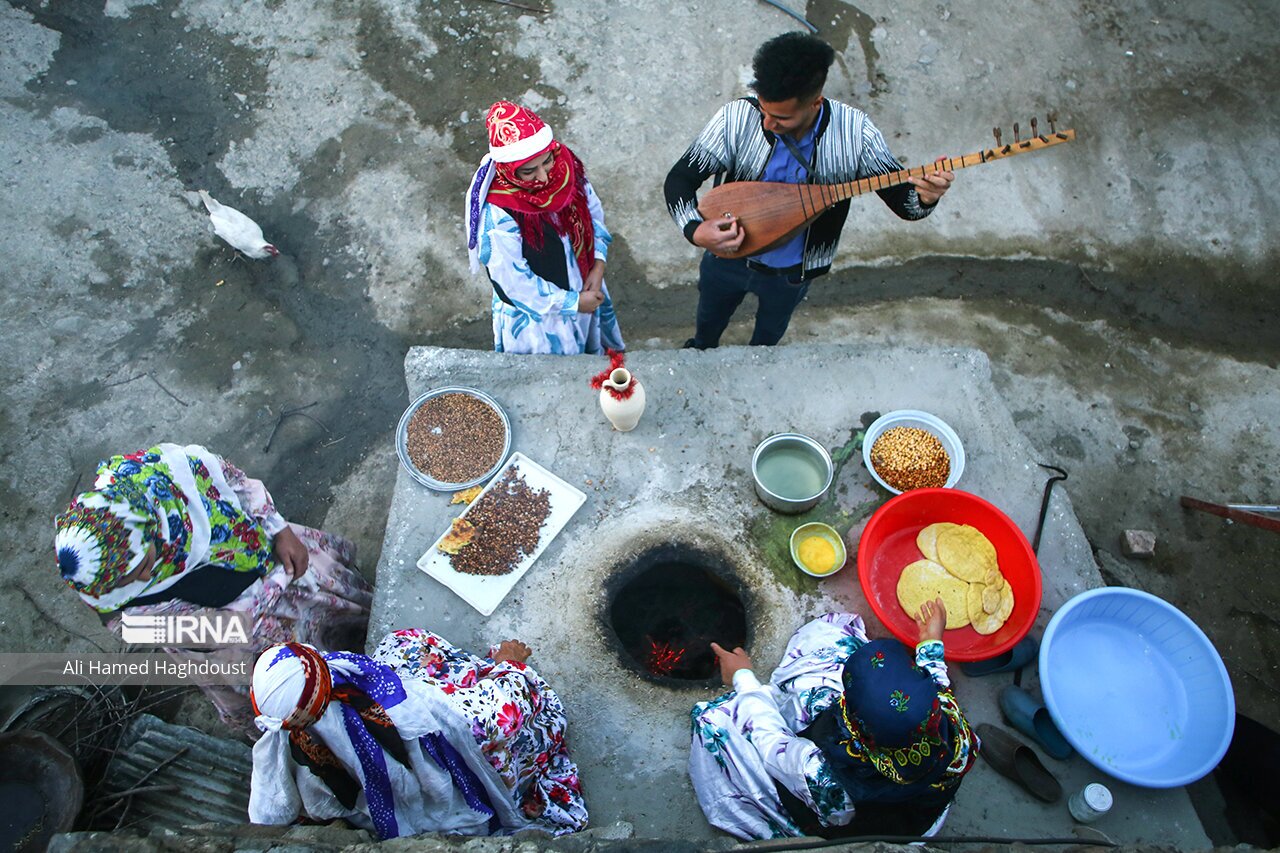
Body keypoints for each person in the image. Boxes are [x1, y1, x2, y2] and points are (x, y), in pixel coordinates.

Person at [664, 32, 955, 349]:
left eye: (781, 117)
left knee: (768, 336)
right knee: (708, 322)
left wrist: (926, 196)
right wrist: (695, 230)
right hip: (727, 261)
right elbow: (679, 179)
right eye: (763, 110)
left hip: (792, 273)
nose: (767, 124)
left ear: (815, 103)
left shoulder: (856, 133)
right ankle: (702, 348)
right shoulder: (737, 117)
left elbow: (905, 205)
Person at [54, 443, 371, 733]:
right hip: (245, 633)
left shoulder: (159, 479)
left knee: (343, 622)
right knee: (298, 687)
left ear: (150, 525)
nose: (143, 579)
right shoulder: (114, 597)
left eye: (141, 565)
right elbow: (225, 629)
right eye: (127, 581)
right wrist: (278, 580)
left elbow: (235, 483)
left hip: (265, 560)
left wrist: (279, 529)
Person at [249, 633, 587, 839]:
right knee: (529, 723)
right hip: (451, 783)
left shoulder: (293, 748)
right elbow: (495, 716)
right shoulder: (415, 715)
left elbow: (273, 811)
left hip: (396, 801)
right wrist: (510, 664)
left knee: (402, 645)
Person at [689, 600, 978, 840]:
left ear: (857, 726)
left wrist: (742, 677)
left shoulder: (822, 775)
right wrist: (931, 643)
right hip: (914, 809)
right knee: (833, 635)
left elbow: (770, 740)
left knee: (715, 722)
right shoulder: (954, 731)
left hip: (840, 814)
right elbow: (937, 687)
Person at [466, 100, 624, 355]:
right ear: (508, 169)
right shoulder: (498, 212)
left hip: (583, 286)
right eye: (528, 171)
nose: (543, 177)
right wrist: (572, 303)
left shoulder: (565, 168)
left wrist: (598, 263)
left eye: (547, 161)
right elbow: (513, 282)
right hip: (540, 317)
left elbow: (593, 212)